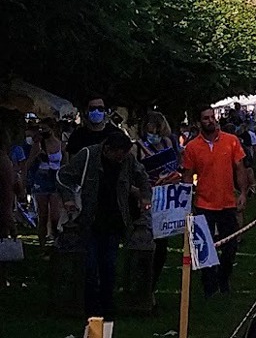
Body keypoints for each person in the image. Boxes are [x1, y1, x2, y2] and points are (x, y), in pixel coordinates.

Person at [57, 132, 150, 318]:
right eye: (119, 154)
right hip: (89, 221)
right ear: (107, 150)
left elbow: (142, 176)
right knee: (90, 266)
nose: (122, 158)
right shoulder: (88, 156)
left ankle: (107, 306)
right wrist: (68, 200)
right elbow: (63, 176)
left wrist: (145, 197)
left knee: (109, 266)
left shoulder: (128, 159)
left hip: (114, 222)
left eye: (125, 154)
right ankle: (91, 307)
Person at [182, 106, 248, 297]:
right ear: (198, 123)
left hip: (227, 202)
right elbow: (187, 175)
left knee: (230, 246)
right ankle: (209, 287)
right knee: (204, 248)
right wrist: (187, 200)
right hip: (203, 203)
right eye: (206, 118)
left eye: (212, 117)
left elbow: (240, 168)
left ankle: (224, 279)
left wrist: (243, 193)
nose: (210, 121)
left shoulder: (231, 141)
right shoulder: (192, 147)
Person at [137, 112, 181, 292]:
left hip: (166, 202)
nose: (153, 134)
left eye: (156, 130)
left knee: (162, 248)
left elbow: (176, 166)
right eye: (150, 131)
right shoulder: (137, 148)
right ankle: (142, 285)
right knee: (147, 246)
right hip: (147, 201)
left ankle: (151, 285)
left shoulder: (168, 143)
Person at [27, 117, 65, 246]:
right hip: (41, 180)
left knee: (55, 215)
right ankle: (42, 244)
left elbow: (65, 164)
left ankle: (55, 240)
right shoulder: (38, 145)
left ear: (52, 129)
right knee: (42, 215)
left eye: (45, 129)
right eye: (41, 129)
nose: (42, 131)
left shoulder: (61, 145)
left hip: (55, 180)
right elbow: (29, 162)